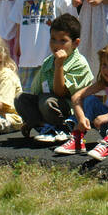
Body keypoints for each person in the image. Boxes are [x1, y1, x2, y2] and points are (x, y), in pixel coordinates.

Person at [15, 14, 94, 144]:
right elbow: (37, 91)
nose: (56, 45)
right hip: (46, 104)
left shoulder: (79, 63)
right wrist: (30, 118)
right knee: (21, 99)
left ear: (75, 43)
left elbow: (60, 93)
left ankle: (63, 128)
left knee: (47, 101)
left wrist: (59, 66)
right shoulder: (48, 61)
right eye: (53, 39)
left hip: (69, 110)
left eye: (63, 41)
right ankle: (44, 127)